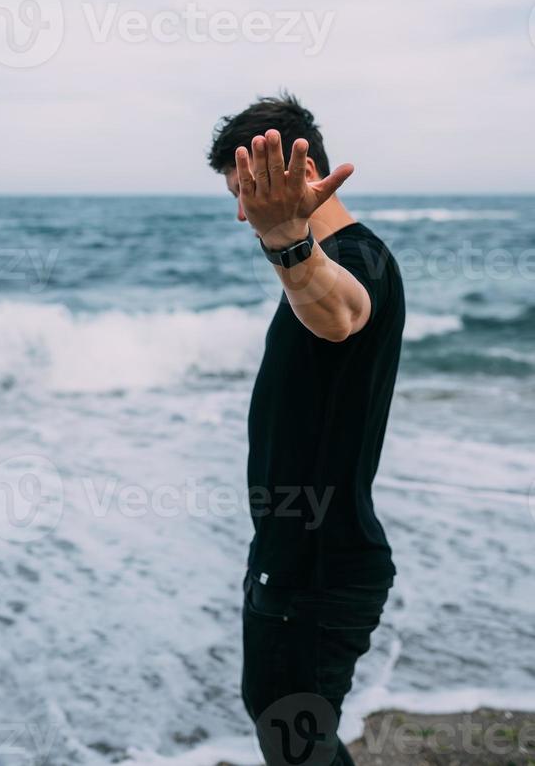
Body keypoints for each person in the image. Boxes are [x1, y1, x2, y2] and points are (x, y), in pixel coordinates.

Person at [207, 93, 405, 766]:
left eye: (251, 191)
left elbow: (340, 314)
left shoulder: (355, 262)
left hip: (320, 569)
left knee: (294, 735)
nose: (243, 211)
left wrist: (286, 242)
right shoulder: (321, 264)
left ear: (301, 172)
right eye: (238, 196)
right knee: (288, 726)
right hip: (299, 558)